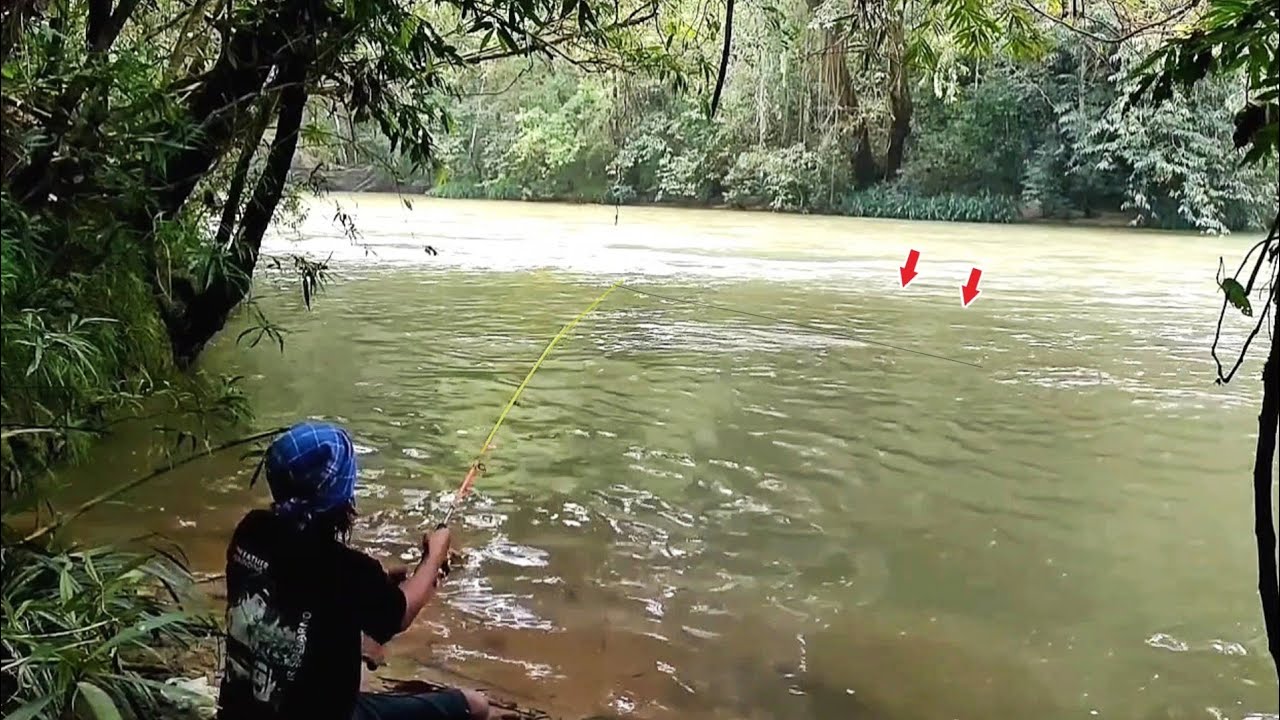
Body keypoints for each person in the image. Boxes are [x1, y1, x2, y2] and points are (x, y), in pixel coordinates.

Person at [216, 421, 490, 720]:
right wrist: (434, 556)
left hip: (240, 712)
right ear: (342, 494)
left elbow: (303, 594)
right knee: (476, 705)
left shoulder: (251, 532)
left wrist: (377, 590)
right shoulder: (345, 569)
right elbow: (400, 613)